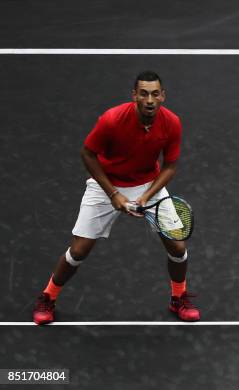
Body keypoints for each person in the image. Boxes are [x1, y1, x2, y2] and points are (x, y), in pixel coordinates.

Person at [32, 71, 200, 325]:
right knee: (78, 251)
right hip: (106, 185)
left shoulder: (172, 123)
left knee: (177, 246)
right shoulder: (112, 120)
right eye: (143, 93)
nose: (150, 100)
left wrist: (146, 196)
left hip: (147, 184)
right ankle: (48, 297)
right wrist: (113, 193)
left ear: (163, 96)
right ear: (134, 95)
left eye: (155, 93)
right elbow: (88, 154)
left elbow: (170, 167)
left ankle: (179, 298)